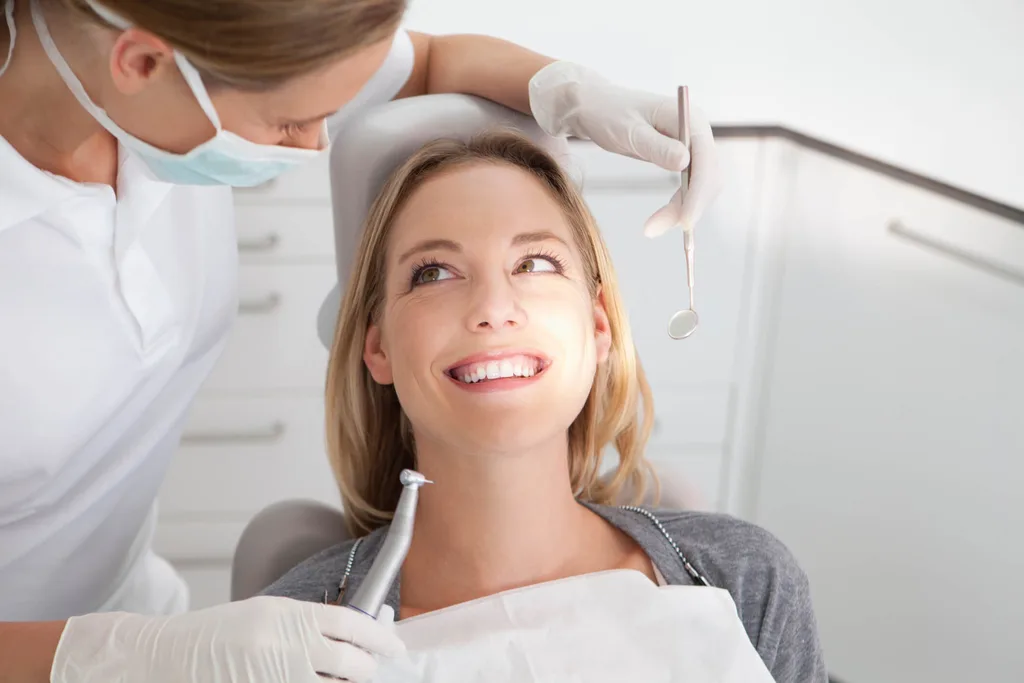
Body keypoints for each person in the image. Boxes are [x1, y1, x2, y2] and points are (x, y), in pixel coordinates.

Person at [0, 0, 720, 680]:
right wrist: (127, 656)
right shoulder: (314, 594)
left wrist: (567, 91)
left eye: (534, 263)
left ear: (602, 322)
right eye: (289, 124)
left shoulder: (731, 573)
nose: (316, 146)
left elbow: (430, 62)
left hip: (140, 610)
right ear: (141, 64)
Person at [261, 131, 827, 682]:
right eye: (433, 272)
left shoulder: (750, 578)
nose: (494, 308)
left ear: (598, 326)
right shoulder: (289, 635)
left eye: (535, 264)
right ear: (378, 347)